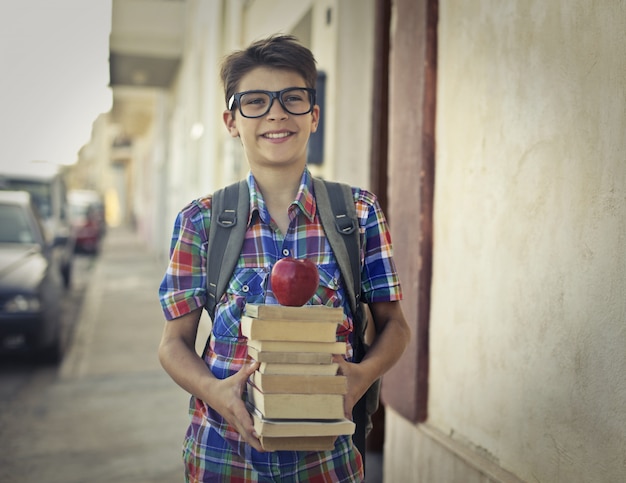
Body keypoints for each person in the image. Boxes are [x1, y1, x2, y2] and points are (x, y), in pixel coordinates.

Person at [158, 34, 411, 482]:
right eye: (255, 101)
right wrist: (215, 393)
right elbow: (173, 344)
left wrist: (361, 376)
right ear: (231, 121)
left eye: (292, 99)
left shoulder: (358, 213)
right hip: (223, 456)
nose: (276, 113)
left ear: (314, 116)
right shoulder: (201, 221)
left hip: (326, 462)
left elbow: (394, 326)